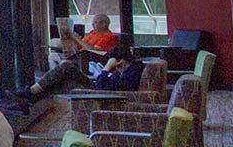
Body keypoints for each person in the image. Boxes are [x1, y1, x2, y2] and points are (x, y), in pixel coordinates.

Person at [13, 41, 141, 103]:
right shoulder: (126, 69)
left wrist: (106, 68)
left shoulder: (132, 73)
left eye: (116, 65)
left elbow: (103, 86)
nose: (116, 68)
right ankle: (30, 96)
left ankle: (29, 94)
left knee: (63, 79)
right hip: (97, 87)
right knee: (66, 66)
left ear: (121, 60)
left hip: (99, 93)